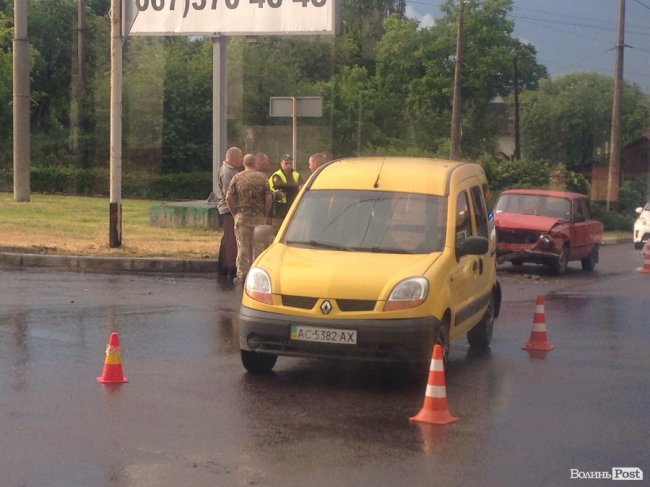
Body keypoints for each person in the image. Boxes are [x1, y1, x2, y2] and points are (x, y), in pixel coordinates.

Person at [226, 153, 272, 284]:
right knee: (258, 246)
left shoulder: (237, 177)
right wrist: (265, 213)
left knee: (242, 246)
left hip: (242, 217)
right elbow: (268, 197)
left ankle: (242, 274)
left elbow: (228, 197)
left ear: (244, 164)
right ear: (255, 163)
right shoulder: (263, 178)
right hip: (258, 217)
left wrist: (235, 213)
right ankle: (257, 274)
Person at [215, 146, 243, 278]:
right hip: (228, 209)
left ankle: (223, 267)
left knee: (227, 239)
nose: (242, 159)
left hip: (228, 208)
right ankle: (230, 268)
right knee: (231, 240)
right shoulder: (227, 172)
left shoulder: (231, 170)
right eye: (240, 156)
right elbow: (229, 194)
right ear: (234, 157)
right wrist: (235, 211)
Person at [269, 154, 302, 226]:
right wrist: (295, 188)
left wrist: (293, 188)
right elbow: (281, 187)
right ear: (281, 163)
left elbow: (302, 186)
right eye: (286, 163)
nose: (288, 165)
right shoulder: (277, 175)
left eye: (290, 163)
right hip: (279, 206)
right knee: (279, 226)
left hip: (293, 204)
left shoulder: (296, 175)